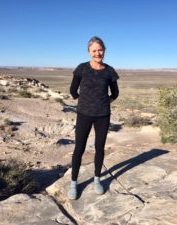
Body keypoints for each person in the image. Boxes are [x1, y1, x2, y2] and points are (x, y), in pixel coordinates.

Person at [68, 36, 119, 200]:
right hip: (84, 114)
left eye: (100, 50)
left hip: (103, 115)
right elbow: (73, 90)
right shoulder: (82, 68)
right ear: (89, 52)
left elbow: (115, 93)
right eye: (94, 50)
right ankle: (73, 184)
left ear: (104, 50)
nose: (98, 53)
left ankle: (97, 180)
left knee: (99, 147)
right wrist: (84, 101)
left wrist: (104, 102)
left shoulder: (110, 71)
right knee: (79, 148)